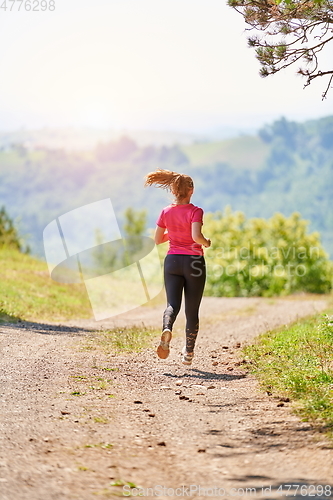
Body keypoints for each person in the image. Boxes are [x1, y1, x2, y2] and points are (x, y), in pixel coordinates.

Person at [144, 168, 211, 365]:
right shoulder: (195, 211)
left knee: (172, 304)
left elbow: (157, 239)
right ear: (191, 190)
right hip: (194, 262)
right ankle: (188, 353)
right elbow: (195, 237)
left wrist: (173, 234)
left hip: (172, 261)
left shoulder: (166, 211)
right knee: (192, 310)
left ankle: (167, 328)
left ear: (173, 191)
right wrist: (206, 242)